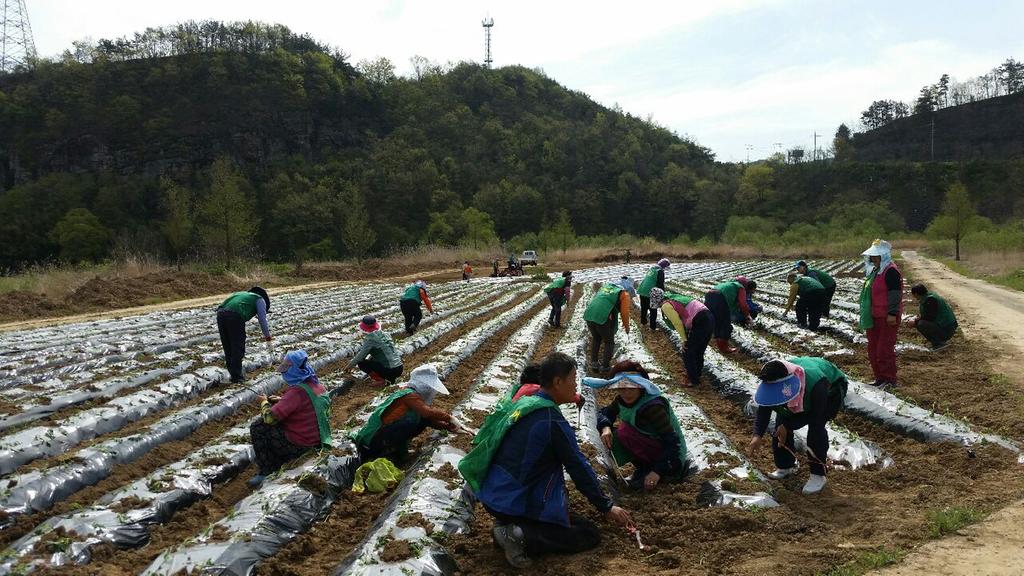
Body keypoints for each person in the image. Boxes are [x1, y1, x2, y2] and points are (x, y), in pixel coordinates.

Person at [458, 352, 633, 569]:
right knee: (587, 532)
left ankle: (511, 526)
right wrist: (606, 507)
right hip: (512, 499)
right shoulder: (552, 421)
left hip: (493, 494)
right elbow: (578, 467)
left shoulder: (525, 403)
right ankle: (518, 535)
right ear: (558, 382)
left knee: (565, 513)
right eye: (573, 379)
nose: (575, 386)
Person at [747, 356, 848, 495]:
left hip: (830, 392)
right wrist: (757, 435)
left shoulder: (816, 384)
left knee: (816, 429)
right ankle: (786, 466)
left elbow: (815, 415)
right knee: (780, 425)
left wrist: (787, 425)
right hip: (802, 390)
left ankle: (818, 475)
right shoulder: (773, 379)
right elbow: (765, 407)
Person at [585, 360, 689, 490]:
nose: (626, 392)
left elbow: (673, 443)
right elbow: (606, 412)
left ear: (640, 386)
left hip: (670, 457)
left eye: (631, 387)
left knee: (624, 432)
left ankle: (662, 474)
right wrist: (605, 427)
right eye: (622, 388)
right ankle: (644, 468)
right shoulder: (621, 400)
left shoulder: (653, 407)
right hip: (649, 446)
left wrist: (657, 472)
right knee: (613, 434)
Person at [248, 350, 332, 487]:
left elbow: (269, 418)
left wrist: (264, 402)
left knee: (258, 426)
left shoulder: (296, 392)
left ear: (293, 370)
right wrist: (282, 400)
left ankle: (266, 470)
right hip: (318, 439)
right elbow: (307, 403)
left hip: (301, 444)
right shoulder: (317, 385)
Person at [354, 364, 457, 464]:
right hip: (375, 439)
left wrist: (447, 427)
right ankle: (395, 453)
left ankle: (395, 449)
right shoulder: (409, 395)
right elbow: (427, 412)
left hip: (385, 434)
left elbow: (426, 419)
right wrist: (450, 418)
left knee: (419, 420)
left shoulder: (412, 395)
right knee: (408, 423)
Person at [858, 239, 903, 389]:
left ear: (884, 256)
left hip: (886, 316)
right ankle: (879, 378)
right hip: (874, 315)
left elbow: (895, 293)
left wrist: (892, 313)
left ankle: (889, 380)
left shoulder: (890, 271)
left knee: (884, 349)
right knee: (873, 349)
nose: (873, 259)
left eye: (876, 256)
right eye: (872, 256)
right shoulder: (875, 271)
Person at [649, 288, 713, 386]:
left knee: (687, 351)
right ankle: (696, 374)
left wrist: (684, 340)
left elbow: (677, 323)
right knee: (698, 350)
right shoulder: (673, 297)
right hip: (708, 317)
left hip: (700, 320)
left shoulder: (666, 306)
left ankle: (693, 380)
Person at [216, 286, 273, 383]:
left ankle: (233, 374)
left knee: (228, 346)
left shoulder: (239, 294)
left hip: (220, 314)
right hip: (235, 316)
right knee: (237, 346)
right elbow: (262, 320)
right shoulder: (260, 299)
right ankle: (237, 377)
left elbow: (222, 306)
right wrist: (268, 337)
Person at [583, 282, 631, 373]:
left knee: (596, 338)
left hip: (589, 315)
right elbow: (625, 312)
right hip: (602, 317)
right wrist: (627, 327)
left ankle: (594, 363)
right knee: (609, 342)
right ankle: (605, 367)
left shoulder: (605, 288)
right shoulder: (624, 294)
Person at [346, 315, 403, 385]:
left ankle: (380, 380)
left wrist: (349, 366)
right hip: (400, 368)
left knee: (362, 363)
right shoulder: (385, 334)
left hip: (391, 371)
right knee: (373, 358)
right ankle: (387, 376)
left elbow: (360, 357)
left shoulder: (370, 340)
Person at [703, 277, 755, 353]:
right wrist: (747, 316)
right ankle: (725, 348)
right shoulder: (740, 288)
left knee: (717, 323)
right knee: (725, 325)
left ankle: (721, 347)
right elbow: (743, 304)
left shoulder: (729, 284)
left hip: (709, 295)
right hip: (719, 297)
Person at [909, 283, 958, 350]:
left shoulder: (930, 300)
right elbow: (928, 314)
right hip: (946, 326)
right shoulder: (928, 297)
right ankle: (937, 342)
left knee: (921, 324)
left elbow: (930, 317)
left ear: (916, 294)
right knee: (919, 322)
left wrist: (915, 321)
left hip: (947, 329)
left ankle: (939, 343)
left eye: (913, 295)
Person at [637, 258, 670, 330]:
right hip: (650, 292)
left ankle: (643, 323)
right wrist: (663, 295)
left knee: (644, 308)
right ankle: (652, 327)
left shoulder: (652, 269)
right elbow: (660, 285)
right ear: (664, 266)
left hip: (642, 290)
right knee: (653, 310)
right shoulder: (660, 271)